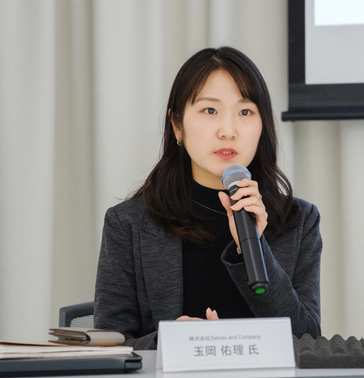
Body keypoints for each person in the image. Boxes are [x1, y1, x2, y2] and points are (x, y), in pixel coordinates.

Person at [94, 46, 322, 350]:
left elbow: (307, 340)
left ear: (263, 126)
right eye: (210, 111)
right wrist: (171, 341)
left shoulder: (299, 221)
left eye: (245, 112)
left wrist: (255, 246)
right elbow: (110, 348)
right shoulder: (128, 224)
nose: (228, 131)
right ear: (177, 126)